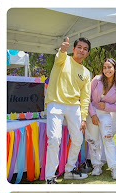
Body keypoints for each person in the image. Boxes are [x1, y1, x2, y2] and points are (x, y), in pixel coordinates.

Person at [44, 36, 92, 183]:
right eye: (79, 47)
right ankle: (50, 177)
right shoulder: (63, 59)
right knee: (54, 139)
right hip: (55, 103)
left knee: (78, 139)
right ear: (73, 49)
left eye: (85, 49)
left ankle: (69, 170)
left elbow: (85, 97)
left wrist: (83, 118)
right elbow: (59, 56)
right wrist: (62, 50)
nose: (82, 51)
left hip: (74, 107)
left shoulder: (86, 73)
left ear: (88, 53)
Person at [86, 58, 116, 178]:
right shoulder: (96, 80)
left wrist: (106, 106)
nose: (107, 70)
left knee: (108, 139)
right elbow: (87, 98)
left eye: (109, 67)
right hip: (92, 113)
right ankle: (97, 166)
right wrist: (93, 115)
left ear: (115, 69)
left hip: (105, 114)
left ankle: (114, 168)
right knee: (93, 140)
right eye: (105, 67)